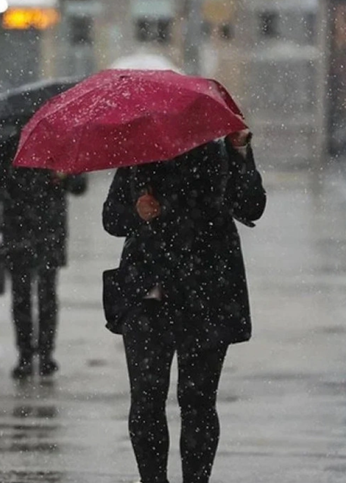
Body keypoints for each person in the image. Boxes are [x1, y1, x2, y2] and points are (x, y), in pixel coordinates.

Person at [102, 129, 265, 483]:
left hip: (207, 295)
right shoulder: (138, 156)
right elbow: (112, 219)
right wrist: (137, 211)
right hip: (148, 296)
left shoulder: (221, 155)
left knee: (198, 401)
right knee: (146, 400)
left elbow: (251, 206)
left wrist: (238, 150)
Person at [0, 132, 87, 379]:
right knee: (22, 296)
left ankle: (46, 354)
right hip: (18, 231)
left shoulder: (61, 145)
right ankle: (26, 355)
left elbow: (80, 186)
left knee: (47, 294)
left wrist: (63, 176)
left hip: (50, 232)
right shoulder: (9, 146)